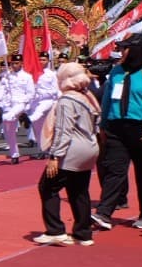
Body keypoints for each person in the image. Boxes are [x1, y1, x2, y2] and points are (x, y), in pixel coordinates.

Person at [93, 34, 142, 231]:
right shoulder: (117, 71)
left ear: (137, 50)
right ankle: (104, 212)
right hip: (116, 127)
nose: (120, 52)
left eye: (125, 48)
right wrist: (103, 124)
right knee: (114, 170)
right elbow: (107, 100)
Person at [33, 63, 102, 246]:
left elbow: (64, 130)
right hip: (89, 147)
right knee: (79, 190)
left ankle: (55, 230)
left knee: (47, 187)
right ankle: (83, 233)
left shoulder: (67, 100)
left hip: (72, 150)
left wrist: (55, 156)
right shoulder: (88, 96)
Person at [0, 54, 36, 164]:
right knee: (8, 130)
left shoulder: (27, 77)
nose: (14, 65)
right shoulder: (7, 76)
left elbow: (31, 94)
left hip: (20, 104)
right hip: (9, 105)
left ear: (21, 63)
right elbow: (3, 91)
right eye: (12, 63)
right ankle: (14, 154)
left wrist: (24, 105)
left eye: (16, 63)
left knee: (7, 117)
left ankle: (24, 116)